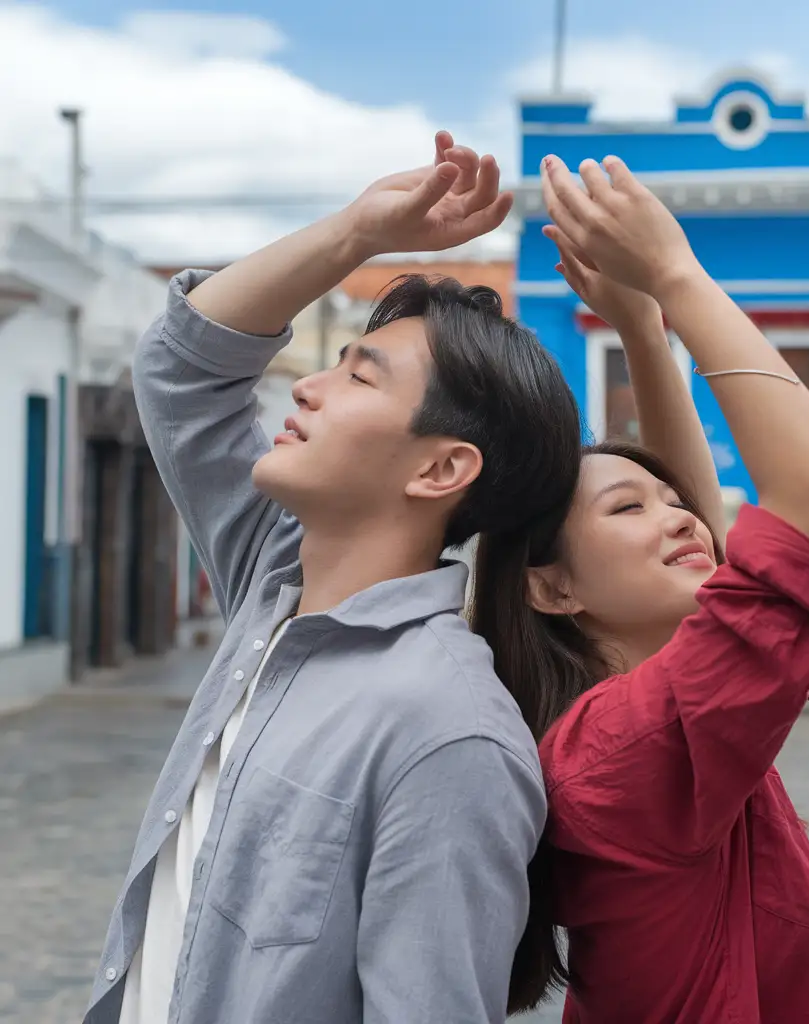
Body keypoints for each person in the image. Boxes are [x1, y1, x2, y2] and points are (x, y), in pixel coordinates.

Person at [82, 134, 582, 1024]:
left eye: (358, 375)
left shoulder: (449, 734)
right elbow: (183, 366)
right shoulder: (273, 582)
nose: (306, 388)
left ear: (439, 471)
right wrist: (357, 232)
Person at [472, 153, 809, 1024]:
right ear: (551, 589)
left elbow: (708, 533)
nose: (686, 519)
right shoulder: (631, 749)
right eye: (627, 507)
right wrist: (676, 275)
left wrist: (643, 331)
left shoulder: (644, 717)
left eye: (676, 502)